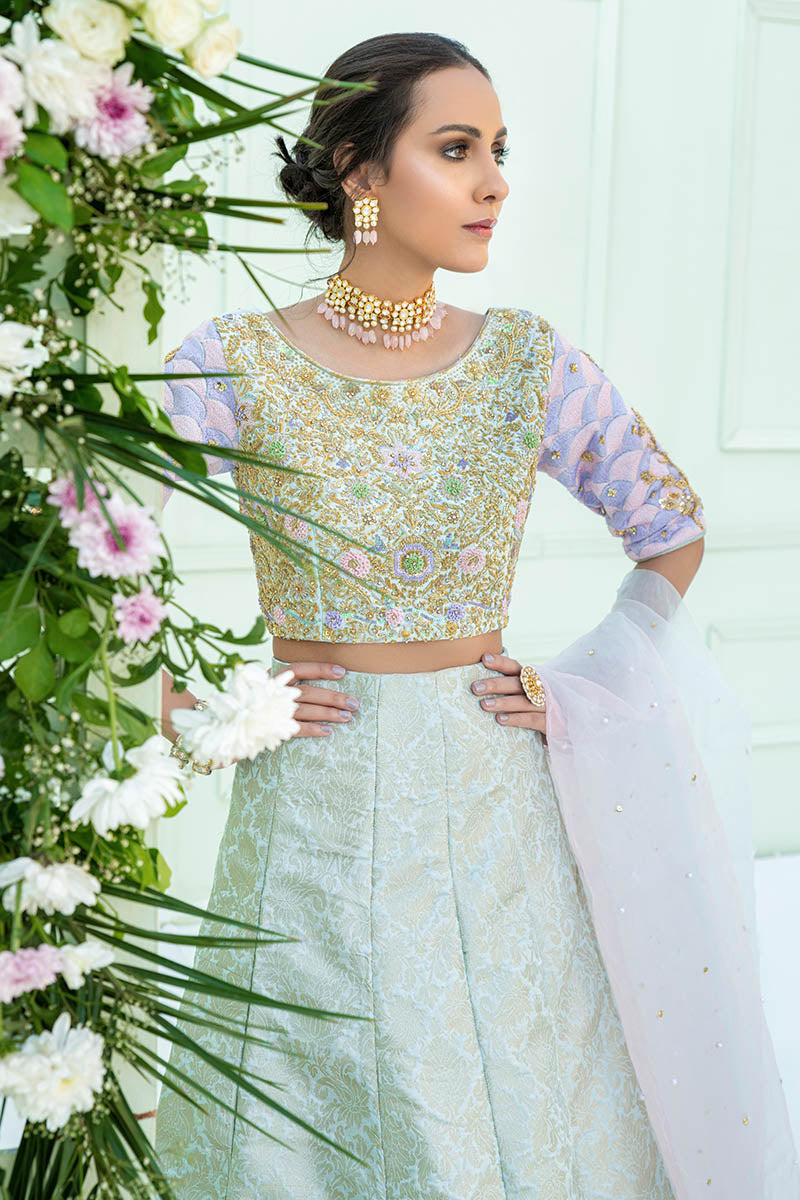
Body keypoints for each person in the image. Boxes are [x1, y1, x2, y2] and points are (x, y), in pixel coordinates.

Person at [153, 32, 799, 1200]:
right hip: (312, 795)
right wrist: (187, 707)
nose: (493, 182)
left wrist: (583, 687)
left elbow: (669, 529)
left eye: (499, 151)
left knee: (503, 1087)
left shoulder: (523, 363)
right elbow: (97, 539)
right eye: (455, 150)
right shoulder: (233, 361)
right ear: (358, 170)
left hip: (491, 789)